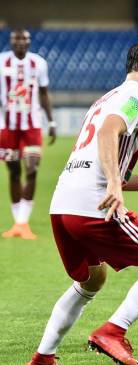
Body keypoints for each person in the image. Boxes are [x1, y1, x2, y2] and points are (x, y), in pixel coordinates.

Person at [23, 36, 138, 365]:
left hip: (63, 206)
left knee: (92, 280)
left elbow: (102, 156)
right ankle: (113, 331)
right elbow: (109, 133)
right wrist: (115, 185)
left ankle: (42, 360)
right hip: (93, 206)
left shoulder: (107, 98)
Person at [0, 29, 56, 239]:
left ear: (29, 42)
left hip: (32, 126)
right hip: (7, 126)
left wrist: (51, 121)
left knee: (31, 169)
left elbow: (44, 93)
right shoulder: (1, 62)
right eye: (17, 39)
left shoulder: (39, 63)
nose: (21, 42)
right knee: (14, 172)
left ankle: (23, 223)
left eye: (24, 39)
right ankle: (17, 223)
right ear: (11, 42)